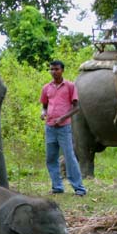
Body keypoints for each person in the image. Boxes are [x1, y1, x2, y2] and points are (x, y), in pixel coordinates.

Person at [39, 60, 87, 196]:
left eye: (56, 69)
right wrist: (43, 113)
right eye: (51, 69)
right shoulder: (46, 88)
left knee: (69, 157)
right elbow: (44, 105)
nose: (54, 72)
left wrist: (63, 118)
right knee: (51, 158)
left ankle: (79, 188)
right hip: (50, 127)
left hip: (64, 128)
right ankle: (57, 187)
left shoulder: (70, 86)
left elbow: (76, 107)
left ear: (62, 70)